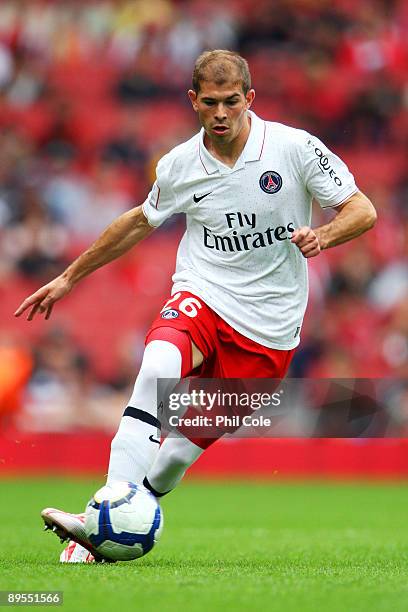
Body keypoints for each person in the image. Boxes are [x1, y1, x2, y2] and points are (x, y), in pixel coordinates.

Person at [15, 50, 377, 563]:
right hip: (203, 294)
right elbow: (140, 220)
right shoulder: (180, 164)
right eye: (211, 103)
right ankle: (101, 515)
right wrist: (69, 276)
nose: (222, 113)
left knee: (171, 463)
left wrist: (323, 234)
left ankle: (115, 525)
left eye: (232, 102)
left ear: (250, 99)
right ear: (194, 102)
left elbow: (362, 209)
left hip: (269, 331)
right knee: (157, 367)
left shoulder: (296, 149)